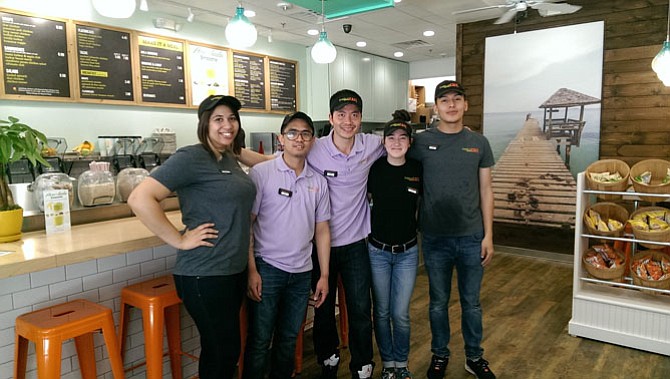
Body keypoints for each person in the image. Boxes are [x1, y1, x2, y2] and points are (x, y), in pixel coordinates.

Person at [239, 89, 384, 379]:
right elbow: (269, 162)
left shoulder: (371, 145)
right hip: (302, 253)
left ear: (361, 119)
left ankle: (362, 366)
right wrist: (231, 147)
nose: (347, 120)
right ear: (330, 118)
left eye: (354, 115)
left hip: (351, 244)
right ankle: (327, 357)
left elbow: (401, 144)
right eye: (341, 114)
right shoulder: (302, 153)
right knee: (318, 310)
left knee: (358, 308)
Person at [128, 95, 255, 379]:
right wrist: (178, 239)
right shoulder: (191, 157)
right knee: (223, 350)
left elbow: (270, 161)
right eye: (218, 119)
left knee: (223, 350)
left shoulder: (230, 157)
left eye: (232, 118)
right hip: (204, 272)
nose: (227, 125)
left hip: (232, 271)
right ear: (204, 124)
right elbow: (140, 198)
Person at [408, 80, 496, 379]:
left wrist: (488, 236)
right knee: (437, 302)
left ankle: (474, 356)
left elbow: (486, 190)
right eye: (444, 100)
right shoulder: (420, 142)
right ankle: (439, 354)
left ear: (465, 105)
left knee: (471, 303)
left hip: (472, 236)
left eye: (457, 99)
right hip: (434, 238)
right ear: (436, 107)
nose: (451, 105)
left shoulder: (479, 143)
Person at [243, 112, 331, 379]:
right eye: (292, 133)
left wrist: (324, 275)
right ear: (281, 139)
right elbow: (247, 225)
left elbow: (322, 230)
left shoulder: (318, 181)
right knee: (260, 340)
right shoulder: (261, 174)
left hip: (302, 272)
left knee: (288, 338)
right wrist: (251, 270)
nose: (299, 138)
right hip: (267, 269)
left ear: (313, 141)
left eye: (305, 133)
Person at [367, 110, 422, 379]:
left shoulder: (416, 170)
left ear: (410, 142)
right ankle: (387, 364)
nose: (397, 142)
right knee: (381, 311)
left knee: (400, 314)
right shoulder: (374, 169)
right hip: (377, 251)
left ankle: (401, 364)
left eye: (403, 137)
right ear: (384, 141)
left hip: (408, 253)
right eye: (391, 137)